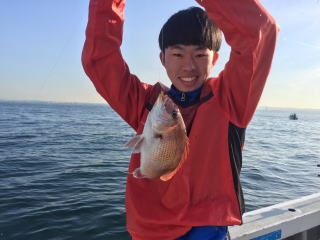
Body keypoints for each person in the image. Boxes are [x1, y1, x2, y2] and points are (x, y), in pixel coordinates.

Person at [82, 0, 278, 239]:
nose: (188, 66)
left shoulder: (231, 99)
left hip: (207, 231)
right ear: (163, 58)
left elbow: (259, 31)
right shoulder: (145, 101)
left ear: (214, 59)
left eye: (199, 54)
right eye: (177, 54)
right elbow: (101, 61)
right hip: (148, 232)